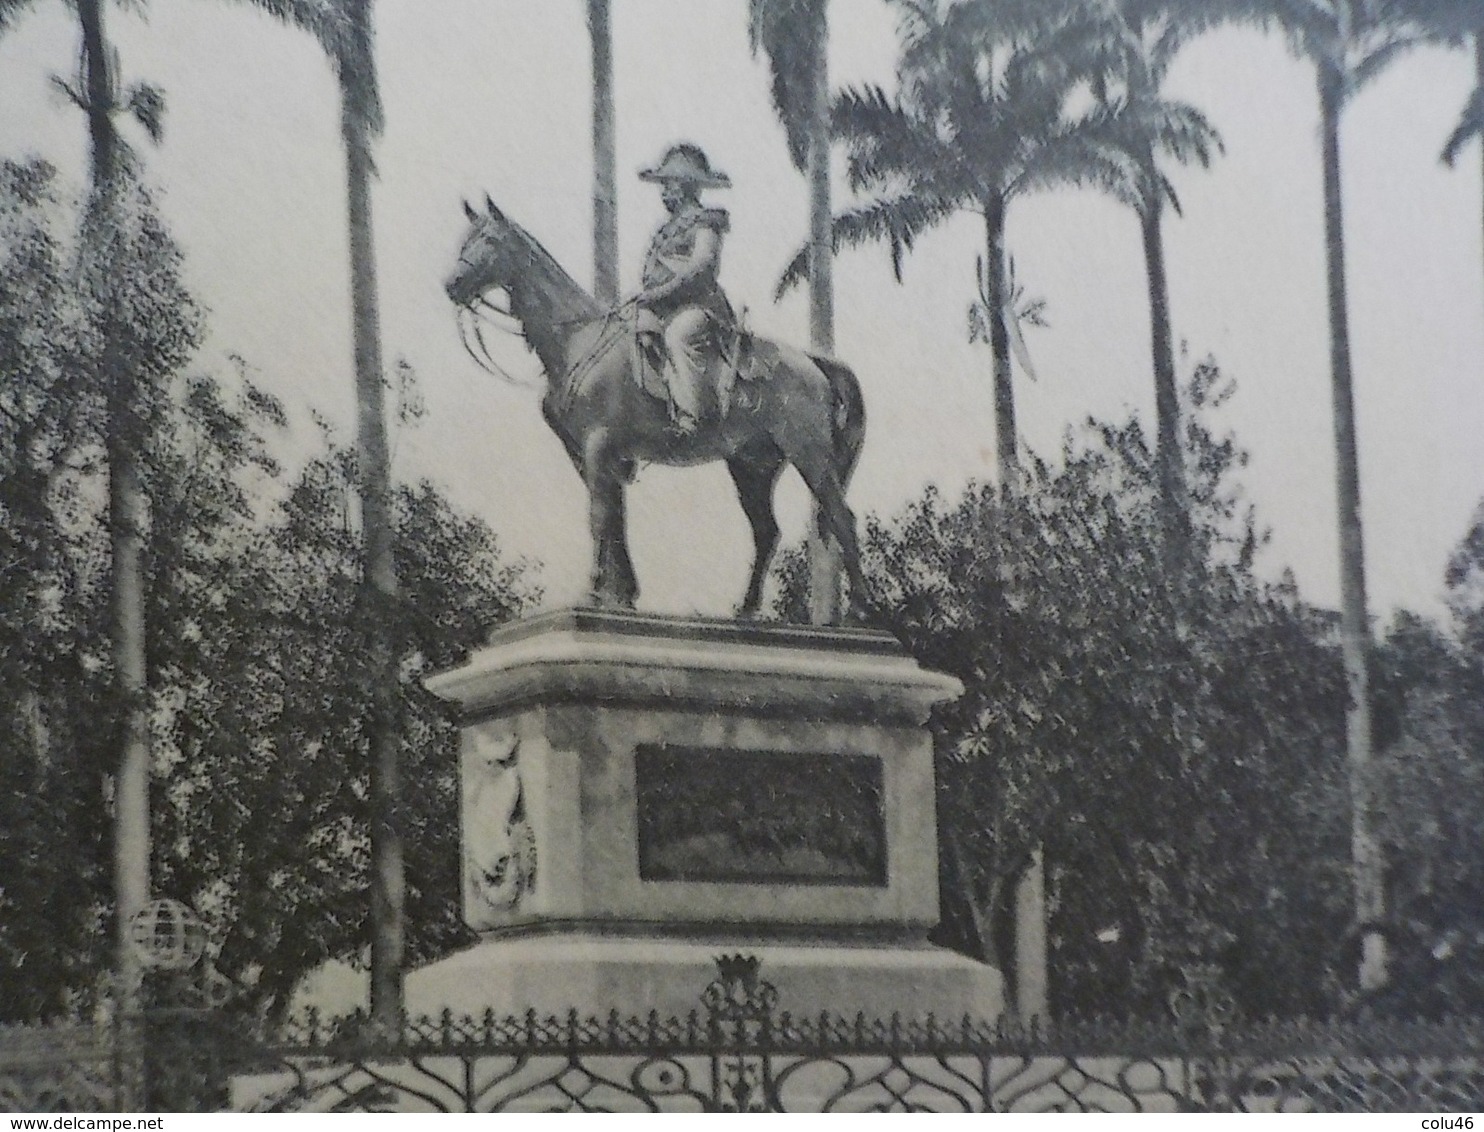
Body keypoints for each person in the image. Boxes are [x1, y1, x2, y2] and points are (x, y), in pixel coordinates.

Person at [633, 143, 734, 433]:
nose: (664, 191)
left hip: (698, 306)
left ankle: (692, 417)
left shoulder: (707, 222)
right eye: (663, 184)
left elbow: (701, 269)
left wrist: (658, 294)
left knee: (680, 335)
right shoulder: (667, 229)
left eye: (670, 184)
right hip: (659, 306)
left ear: (689, 187)